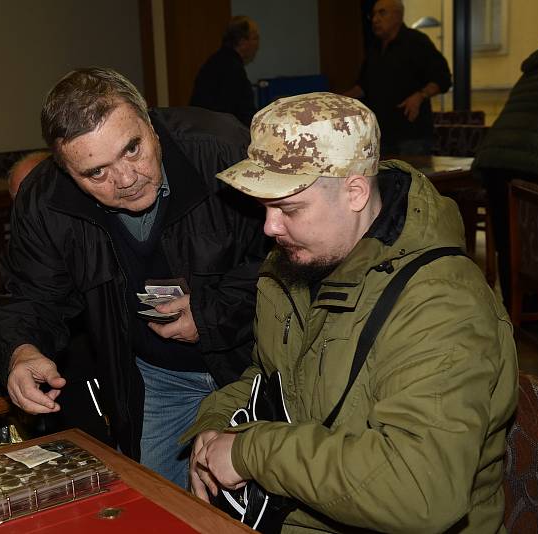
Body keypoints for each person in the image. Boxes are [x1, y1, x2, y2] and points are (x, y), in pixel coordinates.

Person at [186, 92, 518, 532]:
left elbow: (421, 490)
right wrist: (213, 431)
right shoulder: (300, 263)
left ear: (355, 192)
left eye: (288, 208)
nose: (269, 227)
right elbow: (271, 383)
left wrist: (250, 452)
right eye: (263, 207)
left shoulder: (441, 303)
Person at [0, 67, 271, 488]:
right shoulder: (45, 201)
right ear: (66, 171)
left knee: (269, 504)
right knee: (158, 502)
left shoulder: (221, 148)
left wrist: (210, 315)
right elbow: (28, 295)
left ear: (150, 124)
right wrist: (22, 351)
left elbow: (288, 258)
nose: (125, 179)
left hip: (257, 363)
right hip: (158, 375)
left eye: (132, 149)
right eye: (95, 173)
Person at [0, 149, 113, 446]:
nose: (33, 212)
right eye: (21, 203)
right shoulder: (28, 250)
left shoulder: (96, 238)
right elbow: (4, 316)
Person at [473, 43, 538, 308]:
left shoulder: (535, 69)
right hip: (537, 159)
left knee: (510, 244)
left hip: (496, 159)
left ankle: (516, 311)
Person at [344, 0, 451, 155]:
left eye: (382, 13)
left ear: (398, 16)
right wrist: (336, 100)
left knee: (412, 179)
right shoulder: (374, 48)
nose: (375, 19)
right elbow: (363, 87)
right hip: (380, 135)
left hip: (412, 137)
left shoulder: (417, 42)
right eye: (373, 14)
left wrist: (420, 96)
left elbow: (443, 78)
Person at [190, 15, 260, 126]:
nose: (257, 44)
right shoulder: (232, 69)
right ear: (242, 42)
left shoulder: (216, 61)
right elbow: (241, 112)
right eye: (255, 38)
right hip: (219, 134)